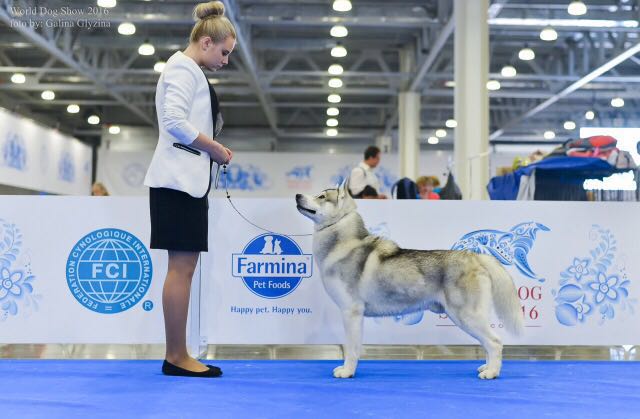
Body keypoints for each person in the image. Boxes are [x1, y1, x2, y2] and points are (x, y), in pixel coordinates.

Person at [143, 0, 235, 378]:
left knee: (184, 268)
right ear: (207, 42)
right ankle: (176, 356)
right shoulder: (182, 68)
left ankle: (178, 354)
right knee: (180, 270)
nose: (225, 61)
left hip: (185, 184)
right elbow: (173, 121)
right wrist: (214, 148)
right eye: (224, 53)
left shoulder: (188, 69)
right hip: (177, 183)